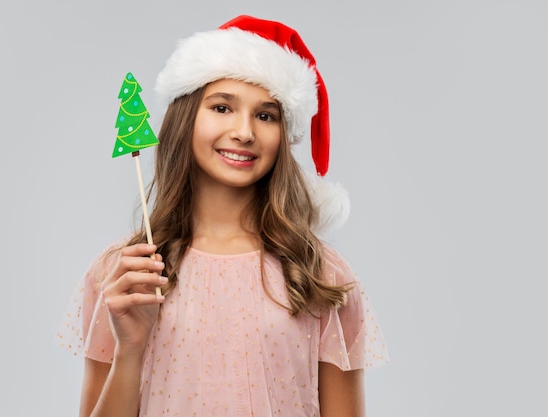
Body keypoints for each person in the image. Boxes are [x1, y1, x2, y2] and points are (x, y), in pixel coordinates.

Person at [56, 14, 389, 417]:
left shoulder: (318, 273)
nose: (244, 131)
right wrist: (129, 349)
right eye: (222, 107)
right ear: (186, 117)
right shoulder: (127, 273)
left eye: (266, 115)